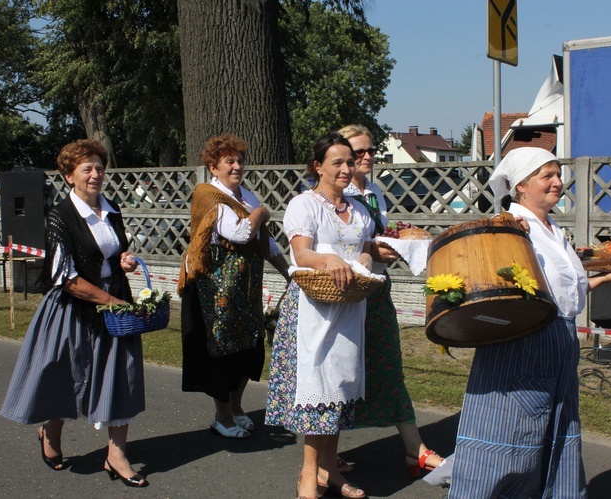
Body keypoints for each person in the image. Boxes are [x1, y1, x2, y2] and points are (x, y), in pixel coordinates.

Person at [445, 147, 611, 498]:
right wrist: (503, 230)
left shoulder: (553, 229)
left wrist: (607, 277)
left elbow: (563, 293)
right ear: (520, 185)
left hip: (559, 341)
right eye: (546, 176)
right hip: (524, 340)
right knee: (511, 436)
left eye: (558, 174)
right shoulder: (510, 226)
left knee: (554, 432)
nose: (557, 182)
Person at [0, 139, 148, 488]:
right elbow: (65, 278)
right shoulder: (60, 217)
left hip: (114, 308)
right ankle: (50, 432)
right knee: (64, 377)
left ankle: (116, 454)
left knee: (121, 377)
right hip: (73, 309)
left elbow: (114, 251)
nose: (95, 174)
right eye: (87, 168)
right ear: (69, 176)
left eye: (99, 167)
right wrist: (110, 301)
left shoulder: (111, 210)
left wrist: (122, 260)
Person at [265, 132, 374, 499]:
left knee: (339, 390)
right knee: (319, 392)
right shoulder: (304, 204)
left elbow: (365, 248)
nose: (346, 168)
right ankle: (307, 475)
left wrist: (364, 260)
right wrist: (329, 259)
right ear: (318, 166)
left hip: (348, 310)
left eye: (350, 161)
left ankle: (329, 471)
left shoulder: (358, 209)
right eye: (337, 163)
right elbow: (302, 254)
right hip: (313, 311)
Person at [337, 124, 443, 477]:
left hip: (378, 288)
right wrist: (372, 247)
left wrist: (393, 245)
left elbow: (379, 237)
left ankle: (416, 449)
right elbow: (334, 245)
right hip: (347, 292)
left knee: (388, 363)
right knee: (342, 370)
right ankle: (325, 451)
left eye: (369, 151)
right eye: (358, 153)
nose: (366, 158)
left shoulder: (375, 192)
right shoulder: (335, 194)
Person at [178, 134, 289, 439]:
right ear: (213, 167)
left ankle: (237, 408)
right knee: (222, 351)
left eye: (240, 160)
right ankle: (222, 416)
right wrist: (262, 212)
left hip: (245, 286)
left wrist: (289, 272)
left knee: (249, 349)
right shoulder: (208, 195)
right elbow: (241, 233)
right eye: (230, 161)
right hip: (215, 290)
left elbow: (264, 241)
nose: (237, 166)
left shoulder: (246, 195)